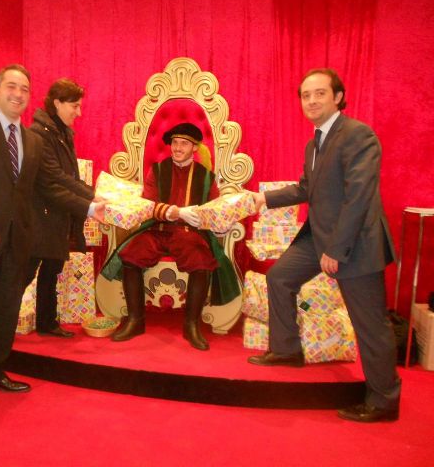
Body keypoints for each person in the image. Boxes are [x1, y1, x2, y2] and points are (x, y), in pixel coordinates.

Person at [0, 64, 103, 427]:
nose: (18, 94)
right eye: (12, 86)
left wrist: (92, 207)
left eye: (25, 89)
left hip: (16, 243)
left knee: (6, 313)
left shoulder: (32, 141)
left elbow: (50, 187)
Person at [247, 68, 401, 422]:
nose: (312, 101)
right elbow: (306, 189)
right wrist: (264, 198)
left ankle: (383, 400)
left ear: (338, 97)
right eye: (306, 95)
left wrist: (336, 250)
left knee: (370, 324)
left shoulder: (358, 135)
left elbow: (359, 197)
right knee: (279, 278)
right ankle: (287, 350)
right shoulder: (314, 142)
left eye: (320, 93)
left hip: (354, 243)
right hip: (318, 236)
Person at [105, 122, 241, 350]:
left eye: (184, 144)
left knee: (201, 260)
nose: (177, 148)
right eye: (175, 143)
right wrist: (176, 212)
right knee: (131, 255)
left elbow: (215, 210)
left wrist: (221, 225)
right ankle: (136, 321)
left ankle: (191, 325)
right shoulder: (157, 170)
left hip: (188, 233)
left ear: (194, 148)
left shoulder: (206, 176)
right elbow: (148, 205)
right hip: (157, 229)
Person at [24, 78, 94, 338]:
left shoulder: (62, 133)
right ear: (57, 103)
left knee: (52, 269)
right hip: (39, 215)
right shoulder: (39, 135)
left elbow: (70, 176)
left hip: (57, 213)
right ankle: (1, 325)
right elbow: (54, 177)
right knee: (23, 274)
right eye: (75, 106)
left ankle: (47, 322)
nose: (79, 112)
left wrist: (92, 194)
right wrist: (91, 200)